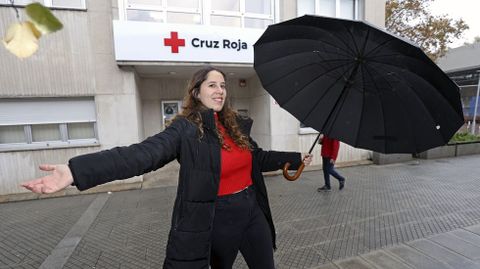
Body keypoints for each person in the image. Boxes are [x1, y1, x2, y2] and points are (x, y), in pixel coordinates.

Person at [21, 66, 313, 269]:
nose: (220, 90)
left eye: (223, 85)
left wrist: (296, 156)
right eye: (212, 85)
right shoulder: (185, 129)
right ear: (196, 92)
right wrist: (76, 171)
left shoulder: (235, 126)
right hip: (218, 217)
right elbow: (141, 155)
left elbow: (257, 159)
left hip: (252, 210)